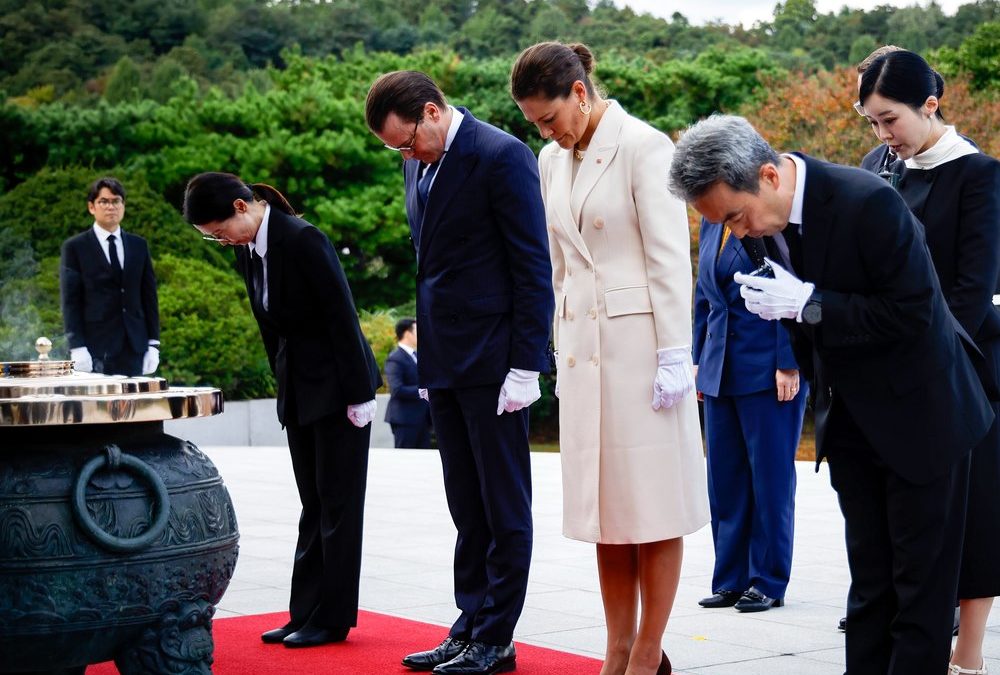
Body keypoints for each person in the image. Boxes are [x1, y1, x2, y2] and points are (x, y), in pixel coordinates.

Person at [668, 114, 993, 675]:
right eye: (722, 225)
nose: (737, 234)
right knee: (870, 584)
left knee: (919, 593)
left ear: (768, 175)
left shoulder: (866, 202)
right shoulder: (755, 225)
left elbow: (914, 313)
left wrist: (808, 305)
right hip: (852, 419)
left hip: (925, 416)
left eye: (736, 217)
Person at [511, 42, 709, 675]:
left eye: (548, 117)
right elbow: (560, 268)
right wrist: (559, 348)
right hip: (584, 357)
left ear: (579, 92)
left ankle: (648, 652)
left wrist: (677, 352)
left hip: (644, 353)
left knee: (653, 508)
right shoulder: (549, 159)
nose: (544, 131)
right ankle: (615, 647)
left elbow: (670, 258)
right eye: (533, 123)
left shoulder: (646, 146)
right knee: (606, 515)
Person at [365, 71, 554, 675]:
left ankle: (497, 637)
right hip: (444, 363)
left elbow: (532, 267)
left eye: (405, 142)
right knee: (465, 508)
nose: (405, 154)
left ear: (431, 111)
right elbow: (431, 268)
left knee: (503, 508)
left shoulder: (502, 155)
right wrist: (429, 364)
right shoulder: (417, 162)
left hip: (497, 364)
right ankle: (470, 623)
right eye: (396, 149)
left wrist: (527, 364)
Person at [183, 172, 381, 649]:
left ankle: (332, 619)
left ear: (239, 206)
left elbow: (342, 316)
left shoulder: (303, 239)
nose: (220, 240)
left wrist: (360, 395)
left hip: (339, 390)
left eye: (218, 230)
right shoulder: (247, 249)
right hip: (299, 392)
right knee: (311, 504)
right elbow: (271, 329)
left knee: (338, 505)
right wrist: (284, 387)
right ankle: (304, 612)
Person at [857, 50, 1000, 675]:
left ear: (931, 105)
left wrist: (926, 358)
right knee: (896, 529)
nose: (883, 136)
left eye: (890, 120)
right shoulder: (875, 167)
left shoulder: (978, 175)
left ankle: (965, 657)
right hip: (886, 368)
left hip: (960, 364)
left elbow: (972, 290)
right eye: (872, 123)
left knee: (972, 515)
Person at [692, 215, 807, 615]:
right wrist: (698, 359)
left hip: (768, 368)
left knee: (770, 480)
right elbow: (704, 297)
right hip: (720, 367)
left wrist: (790, 362)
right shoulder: (711, 223)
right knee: (725, 480)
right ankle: (730, 579)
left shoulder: (770, 219)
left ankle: (768, 580)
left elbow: (792, 290)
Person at [61, 177, 160, 376]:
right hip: (95, 346)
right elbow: (71, 300)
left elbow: (149, 296)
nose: (111, 207)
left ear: (123, 206)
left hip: (134, 345)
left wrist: (153, 343)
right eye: (104, 201)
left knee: (133, 404)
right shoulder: (75, 247)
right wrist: (77, 346)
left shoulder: (138, 245)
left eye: (116, 201)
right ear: (91, 207)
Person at [384, 317, 432, 449]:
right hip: (405, 419)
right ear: (407, 333)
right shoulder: (395, 358)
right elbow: (397, 389)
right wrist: (425, 391)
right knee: (405, 461)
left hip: (423, 419)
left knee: (422, 461)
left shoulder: (418, 356)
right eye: (417, 331)